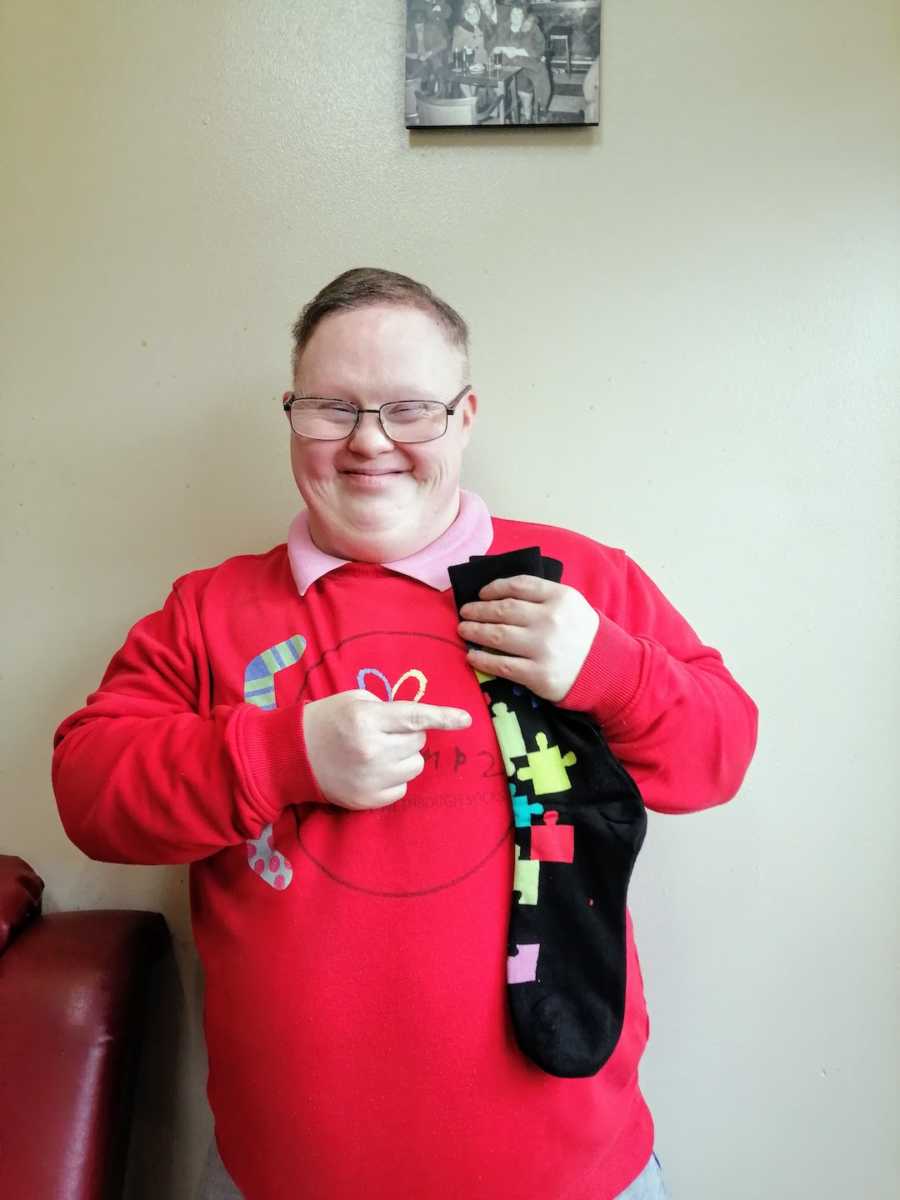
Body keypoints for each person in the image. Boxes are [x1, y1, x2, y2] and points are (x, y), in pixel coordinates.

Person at [53, 267, 758, 1200]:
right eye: (331, 408)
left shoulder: (576, 579)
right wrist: (280, 755)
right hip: (282, 1176)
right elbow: (91, 793)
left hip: (574, 1173)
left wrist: (611, 669)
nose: (369, 442)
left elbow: (721, 754)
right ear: (291, 415)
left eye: (409, 409)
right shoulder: (208, 610)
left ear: (464, 418)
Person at [491, 2, 552, 121]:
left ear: (524, 15)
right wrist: (503, 49)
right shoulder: (503, 27)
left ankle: (528, 115)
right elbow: (495, 46)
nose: (516, 16)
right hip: (506, 66)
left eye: (519, 14)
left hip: (527, 65)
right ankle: (505, 115)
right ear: (510, 14)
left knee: (524, 85)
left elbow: (540, 49)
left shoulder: (532, 27)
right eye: (514, 13)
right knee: (498, 85)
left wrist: (517, 51)